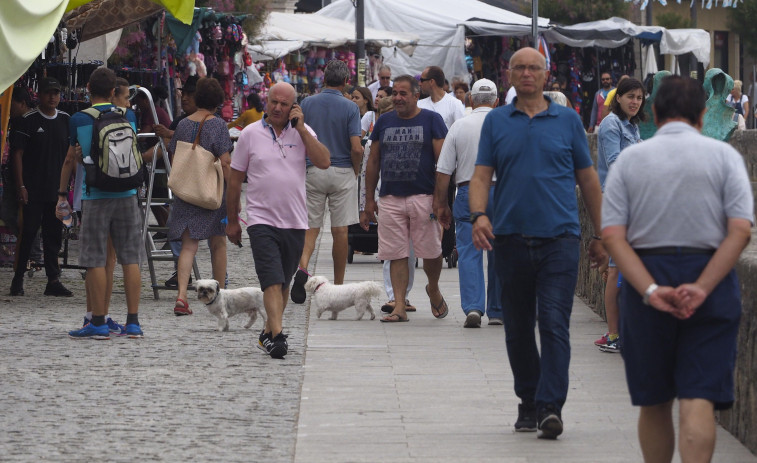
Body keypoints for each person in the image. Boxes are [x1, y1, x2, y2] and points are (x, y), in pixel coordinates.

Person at [601, 75, 753, 463]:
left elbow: (614, 236)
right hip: (710, 274)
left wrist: (650, 291)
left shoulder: (631, 160)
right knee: (698, 394)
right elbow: (739, 231)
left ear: (653, 111)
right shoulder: (725, 158)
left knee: (654, 400)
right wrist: (702, 287)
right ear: (702, 115)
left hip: (646, 271)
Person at [470, 47, 606, 439]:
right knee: (516, 327)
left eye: (535, 68)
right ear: (508, 75)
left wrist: (601, 235)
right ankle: (528, 400)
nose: (527, 73)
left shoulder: (568, 121)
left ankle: (550, 406)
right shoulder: (496, 121)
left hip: (559, 239)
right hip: (510, 238)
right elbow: (481, 176)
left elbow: (589, 181)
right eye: (520, 68)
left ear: (546, 75)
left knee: (553, 323)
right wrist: (479, 215)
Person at [226, 82, 330, 358]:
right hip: (261, 220)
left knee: (283, 283)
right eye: (274, 101)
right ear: (266, 101)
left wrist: (302, 131)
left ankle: (268, 333)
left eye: (284, 104)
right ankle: (278, 336)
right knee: (271, 281)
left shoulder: (303, 133)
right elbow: (235, 180)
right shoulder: (249, 134)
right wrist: (233, 219)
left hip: (295, 221)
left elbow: (324, 162)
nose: (277, 108)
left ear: (294, 107)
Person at [62, 67, 145, 339]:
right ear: (113, 91)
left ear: (87, 89)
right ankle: (133, 322)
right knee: (130, 258)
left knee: (95, 259)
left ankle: (98, 321)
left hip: (95, 194)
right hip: (127, 194)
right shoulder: (128, 115)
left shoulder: (77, 119)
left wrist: (62, 194)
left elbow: (72, 157)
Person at [361, 75, 449, 323]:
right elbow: (373, 161)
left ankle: (433, 287)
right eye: (394, 94)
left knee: (431, 252)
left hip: (424, 196)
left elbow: (443, 163)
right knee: (396, 253)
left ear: (415, 95)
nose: (397, 98)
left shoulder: (432, 120)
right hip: (390, 198)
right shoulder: (384, 122)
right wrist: (369, 200)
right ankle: (399, 305)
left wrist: (441, 200)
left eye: (403, 94)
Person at [290, 60, 362, 304]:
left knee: (311, 228)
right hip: (342, 171)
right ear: (345, 82)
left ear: (323, 79)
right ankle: (339, 286)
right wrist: (356, 169)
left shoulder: (307, 103)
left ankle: (302, 268)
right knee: (340, 231)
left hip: (313, 170)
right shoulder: (351, 107)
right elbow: (356, 147)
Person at [434, 79, 502, 328]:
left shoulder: (459, 126)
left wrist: (441, 204)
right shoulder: (507, 125)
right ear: (497, 101)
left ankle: (473, 306)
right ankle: (498, 309)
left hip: (467, 190)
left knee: (469, 252)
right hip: (502, 193)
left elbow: (443, 171)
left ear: (470, 100)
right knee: (500, 252)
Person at [165, 77, 233, 316]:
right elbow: (225, 162)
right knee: (218, 243)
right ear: (217, 102)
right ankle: (220, 296)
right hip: (211, 193)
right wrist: (231, 190)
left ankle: (182, 296)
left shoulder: (183, 124)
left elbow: (176, 156)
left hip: (187, 192)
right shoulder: (218, 126)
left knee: (188, 246)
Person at [594, 77, 645, 353]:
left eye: (639, 97)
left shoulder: (632, 125)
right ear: (619, 98)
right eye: (630, 97)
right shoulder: (612, 124)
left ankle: (621, 331)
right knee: (615, 270)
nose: (635, 102)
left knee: (620, 268)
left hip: (630, 201)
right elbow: (615, 164)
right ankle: (614, 334)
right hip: (617, 201)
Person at [9, 77, 73, 297]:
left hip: (56, 190)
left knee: (54, 236)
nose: (53, 97)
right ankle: (18, 278)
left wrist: (67, 187)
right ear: (40, 95)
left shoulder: (65, 119)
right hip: (33, 188)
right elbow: (17, 155)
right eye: (48, 93)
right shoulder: (28, 120)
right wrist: (21, 186)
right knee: (28, 234)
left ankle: (53, 280)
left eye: (56, 93)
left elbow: (69, 154)